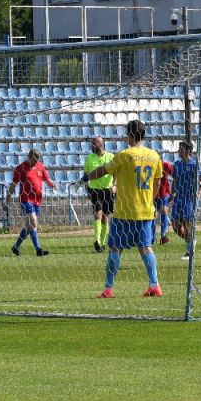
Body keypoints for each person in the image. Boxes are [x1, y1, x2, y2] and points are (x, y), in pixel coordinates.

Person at [83, 119, 163, 298]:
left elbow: (104, 170)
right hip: (145, 211)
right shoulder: (154, 156)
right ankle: (154, 285)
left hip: (125, 211)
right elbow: (157, 182)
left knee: (115, 248)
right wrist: (149, 201)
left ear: (131, 135)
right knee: (146, 248)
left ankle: (108, 289)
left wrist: (87, 177)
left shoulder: (124, 155)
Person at [6, 148, 56, 257]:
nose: (35, 162)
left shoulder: (40, 166)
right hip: (25, 199)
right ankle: (38, 249)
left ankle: (16, 246)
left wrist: (53, 185)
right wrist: (7, 200)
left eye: (37, 160)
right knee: (34, 222)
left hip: (37, 200)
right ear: (29, 157)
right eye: (34, 159)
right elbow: (13, 185)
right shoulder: (20, 168)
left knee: (29, 226)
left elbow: (47, 180)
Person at [170, 141, 201, 260]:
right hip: (178, 198)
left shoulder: (194, 165)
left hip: (189, 199)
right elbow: (174, 180)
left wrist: (199, 192)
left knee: (187, 225)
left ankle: (188, 252)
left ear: (188, 151)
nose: (178, 151)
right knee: (175, 226)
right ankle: (191, 241)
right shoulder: (176, 164)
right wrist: (172, 193)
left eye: (181, 149)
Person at [83, 137, 115, 253]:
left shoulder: (111, 157)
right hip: (95, 190)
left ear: (101, 144)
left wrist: (115, 185)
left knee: (106, 217)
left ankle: (102, 242)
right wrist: (87, 188)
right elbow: (86, 174)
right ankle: (97, 241)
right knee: (98, 214)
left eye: (94, 143)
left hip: (108, 190)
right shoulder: (89, 158)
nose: (92, 145)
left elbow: (116, 172)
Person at [153, 158, 175, 246]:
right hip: (152, 193)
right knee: (152, 215)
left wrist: (173, 192)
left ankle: (163, 236)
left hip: (163, 194)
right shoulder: (149, 166)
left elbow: (176, 175)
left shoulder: (165, 165)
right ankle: (152, 238)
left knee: (164, 211)